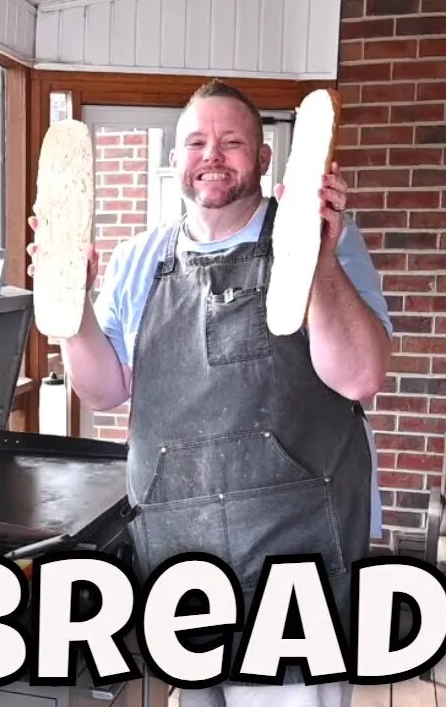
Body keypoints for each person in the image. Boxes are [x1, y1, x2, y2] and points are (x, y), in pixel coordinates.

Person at [28, 79, 393, 707]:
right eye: (196, 141)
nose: (213, 155)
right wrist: (71, 305)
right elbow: (105, 389)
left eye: (232, 142)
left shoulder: (320, 242)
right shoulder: (139, 258)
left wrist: (322, 261)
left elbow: (360, 377)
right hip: (186, 559)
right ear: (176, 160)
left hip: (295, 561)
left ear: (265, 158)